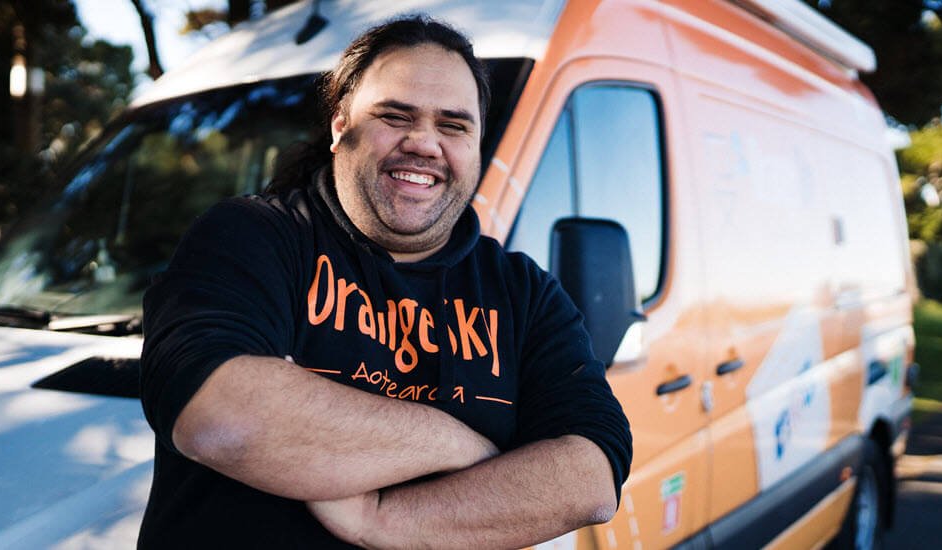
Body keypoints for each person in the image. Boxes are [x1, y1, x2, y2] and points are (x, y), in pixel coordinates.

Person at [138, 15, 632, 549]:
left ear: (476, 145)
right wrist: (463, 445)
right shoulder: (252, 236)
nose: (423, 142)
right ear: (339, 127)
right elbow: (220, 415)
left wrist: (380, 519)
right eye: (395, 116)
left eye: (453, 125)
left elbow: (590, 478)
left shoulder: (524, 293)